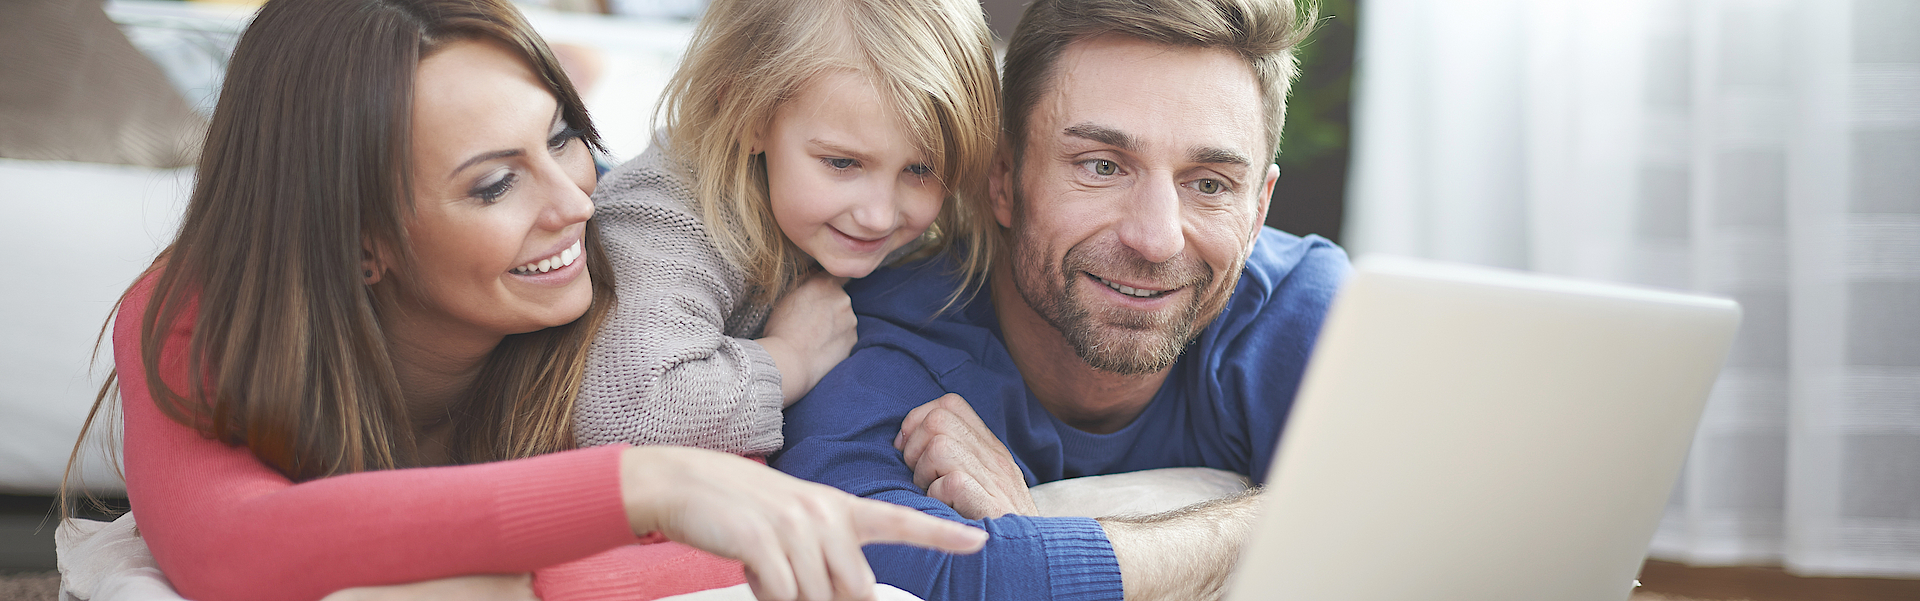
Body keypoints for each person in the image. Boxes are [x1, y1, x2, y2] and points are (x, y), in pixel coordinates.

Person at [59, 1, 986, 600]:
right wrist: (641, 484)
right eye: (494, 184)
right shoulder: (195, 311)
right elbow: (230, 550)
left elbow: (761, 524)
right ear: (360, 242)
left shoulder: (634, 273)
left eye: (564, 137)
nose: (580, 202)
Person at [772, 0, 1349, 599]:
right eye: (1102, 166)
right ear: (1002, 180)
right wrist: (1299, 521)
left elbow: (1420, 523)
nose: (1155, 239)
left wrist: (1038, 537)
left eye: (1209, 184)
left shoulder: (1304, 312)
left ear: (1258, 211)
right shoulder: (882, 349)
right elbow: (908, 571)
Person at [571, 0, 999, 456]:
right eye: (842, 162)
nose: (879, 215)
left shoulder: (856, 221)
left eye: (920, 170)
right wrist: (793, 355)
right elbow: (624, 412)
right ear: (746, 113)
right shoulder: (665, 214)